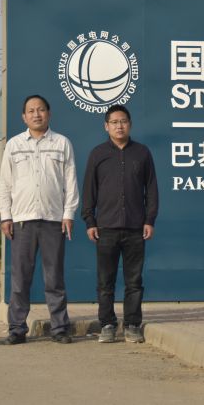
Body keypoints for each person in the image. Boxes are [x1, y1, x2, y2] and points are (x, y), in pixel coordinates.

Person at [0, 95, 80, 345]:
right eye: (31, 111)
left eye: (41, 110)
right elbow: (5, 184)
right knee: (20, 279)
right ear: (24, 117)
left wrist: (68, 214)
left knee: (54, 278)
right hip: (22, 221)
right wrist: (6, 216)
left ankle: (60, 328)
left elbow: (70, 182)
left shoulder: (62, 143)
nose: (36, 114)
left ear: (49, 113)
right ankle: (17, 328)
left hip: (53, 220)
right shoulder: (14, 145)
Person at [82, 104, 158, 344]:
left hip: (136, 228)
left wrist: (149, 219)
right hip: (106, 228)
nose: (119, 126)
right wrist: (90, 221)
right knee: (105, 281)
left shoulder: (142, 153)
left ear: (130, 124)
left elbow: (152, 190)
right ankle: (107, 324)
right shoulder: (97, 154)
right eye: (114, 122)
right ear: (106, 126)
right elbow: (89, 191)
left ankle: (132, 324)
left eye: (123, 121)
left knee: (134, 282)